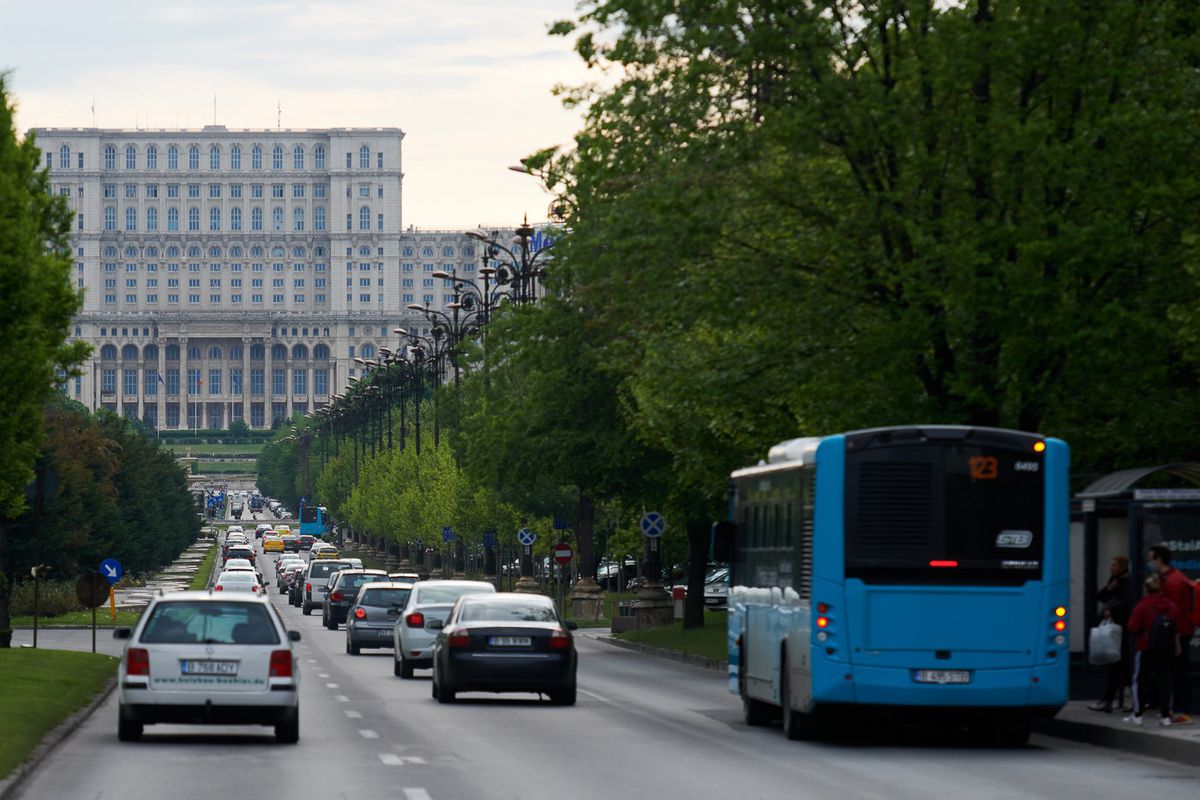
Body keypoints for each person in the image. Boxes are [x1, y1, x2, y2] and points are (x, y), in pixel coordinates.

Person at [1148, 544, 1195, 725]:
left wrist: (1176, 638)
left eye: (1151, 559)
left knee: (1179, 671)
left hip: (1178, 632)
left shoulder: (1173, 581)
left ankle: (1182, 710)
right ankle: (1177, 708)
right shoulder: (1169, 577)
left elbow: (1177, 612)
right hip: (1176, 631)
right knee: (1175, 671)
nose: (1150, 562)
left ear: (1159, 559)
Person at [1125, 573, 1179, 726]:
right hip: (1165, 648)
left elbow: (1133, 626)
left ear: (1145, 589)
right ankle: (1165, 716)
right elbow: (1177, 625)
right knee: (1164, 680)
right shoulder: (1171, 606)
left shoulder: (1142, 606)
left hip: (1145, 647)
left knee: (1139, 680)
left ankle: (1138, 714)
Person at [1089, 556, 1131, 712]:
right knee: (1117, 666)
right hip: (1115, 629)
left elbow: (1126, 603)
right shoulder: (1114, 582)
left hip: (1120, 630)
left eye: (1114, 565)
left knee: (1117, 666)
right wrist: (1110, 587)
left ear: (1122, 567)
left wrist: (1112, 611)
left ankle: (1109, 700)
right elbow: (1101, 596)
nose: (1111, 567)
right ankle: (1110, 699)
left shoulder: (1125, 583)